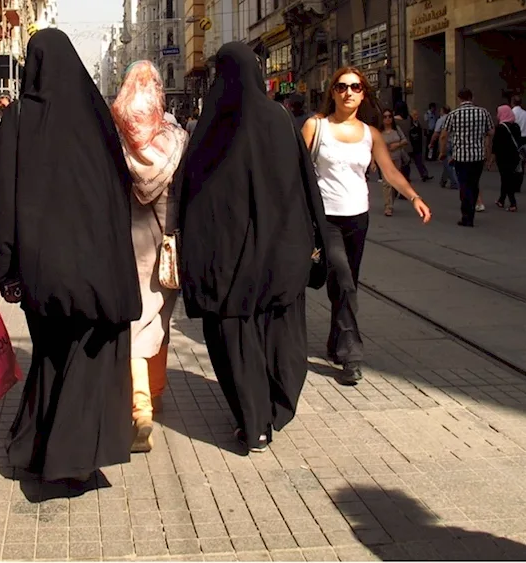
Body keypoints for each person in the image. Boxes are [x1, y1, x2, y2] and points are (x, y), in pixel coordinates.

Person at [0, 29, 141, 482]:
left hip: (40, 269)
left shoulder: (17, 121)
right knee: (85, 358)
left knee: (50, 354)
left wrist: (7, 266)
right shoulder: (96, 118)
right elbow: (118, 193)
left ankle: (41, 446)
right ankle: (69, 455)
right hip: (97, 268)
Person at [176, 42, 327, 453]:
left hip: (227, 261)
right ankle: (277, 406)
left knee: (235, 334)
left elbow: (192, 197)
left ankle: (254, 421)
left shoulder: (210, 125)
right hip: (281, 252)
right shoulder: (279, 119)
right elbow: (304, 185)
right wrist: (319, 242)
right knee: (280, 332)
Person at [301, 67, 431, 385]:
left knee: (347, 283)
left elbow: (389, 171)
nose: (348, 92)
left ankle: (335, 342)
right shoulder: (315, 126)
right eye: (342, 86)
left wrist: (413, 196)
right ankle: (351, 355)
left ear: (363, 94)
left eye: (355, 87)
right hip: (326, 219)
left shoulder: (370, 133)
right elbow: (296, 170)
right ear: (332, 91)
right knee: (343, 281)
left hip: (358, 218)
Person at [110, 61, 187, 453]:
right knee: (160, 319)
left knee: (133, 322)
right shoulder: (176, 137)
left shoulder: (113, 137)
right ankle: (151, 397)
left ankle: (138, 404)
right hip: (167, 244)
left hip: (126, 244)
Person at [439, 88, 494, 227]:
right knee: (474, 184)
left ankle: (466, 215)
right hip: (477, 156)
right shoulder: (483, 112)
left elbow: (444, 135)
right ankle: (472, 212)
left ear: (459, 98)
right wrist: (487, 152)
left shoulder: (453, 114)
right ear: (472, 98)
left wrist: (442, 152)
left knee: (464, 185)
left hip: (461, 157)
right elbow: (491, 132)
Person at [487, 105, 525, 212]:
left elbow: (496, 145)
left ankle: (513, 203)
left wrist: (491, 160)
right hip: (514, 157)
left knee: (506, 179)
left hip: (503, 157)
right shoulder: (516, 126)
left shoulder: (500, 128)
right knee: (507, 177)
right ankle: (501, 200)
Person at [379, 108, 411, 216]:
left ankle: (390, 203)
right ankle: (388, 207)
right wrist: (373, 162)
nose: (387, 119)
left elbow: (405, 140)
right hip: (385, 160)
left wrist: (397, 145)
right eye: (385, 117)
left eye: (389, 116)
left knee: (394, 183)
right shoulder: (380, 132)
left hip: (397, 159)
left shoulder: (397, 129)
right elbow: (374, 146)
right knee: (386, 183)